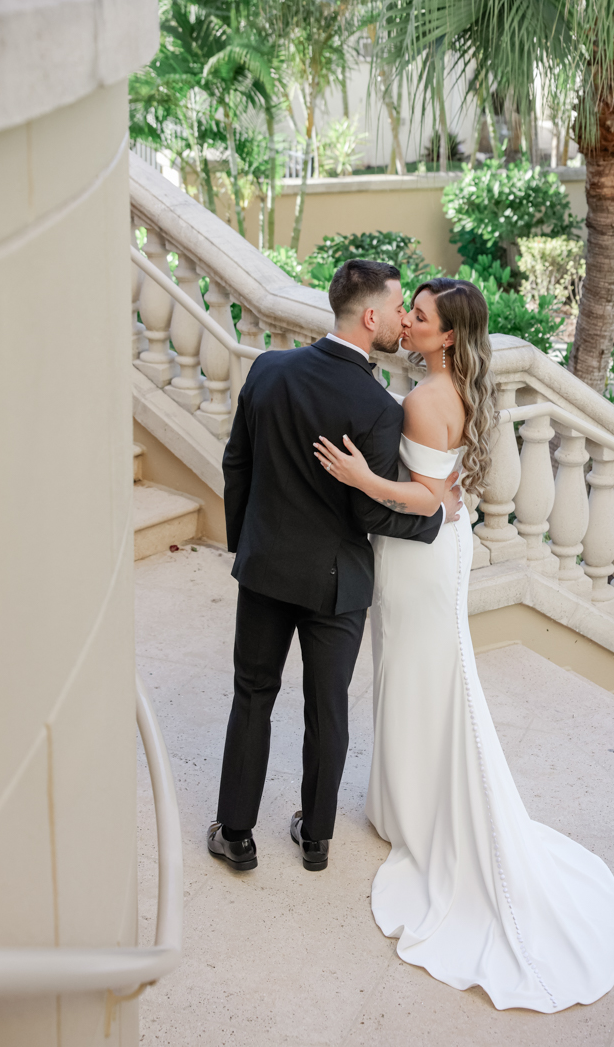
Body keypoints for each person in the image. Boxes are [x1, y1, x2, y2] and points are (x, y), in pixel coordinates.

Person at [313, 277, 614, 1013]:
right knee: (422, 675)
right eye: (408, 311)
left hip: (419, 556)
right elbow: (445, 486)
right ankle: (404, 804)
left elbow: (425, 497)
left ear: (447, 335)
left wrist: (361, 476)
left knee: (421, 677)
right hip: (437, 551)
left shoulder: (426, 398)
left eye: (419, 316)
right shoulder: (448, 385)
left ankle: (419, 815)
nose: (406, 321)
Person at [208, 259, 462, 874]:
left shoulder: (268, 369)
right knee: (328, 707)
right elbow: (368, 511)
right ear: (371, 316)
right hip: (337, 583)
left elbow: (236, 463)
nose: (404, 319)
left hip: (265, 569)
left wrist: (247, 544)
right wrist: (434, 519)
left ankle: (236, 835)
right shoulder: (378, 407)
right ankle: (316, 838)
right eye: (399, 308)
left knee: (253, 695)